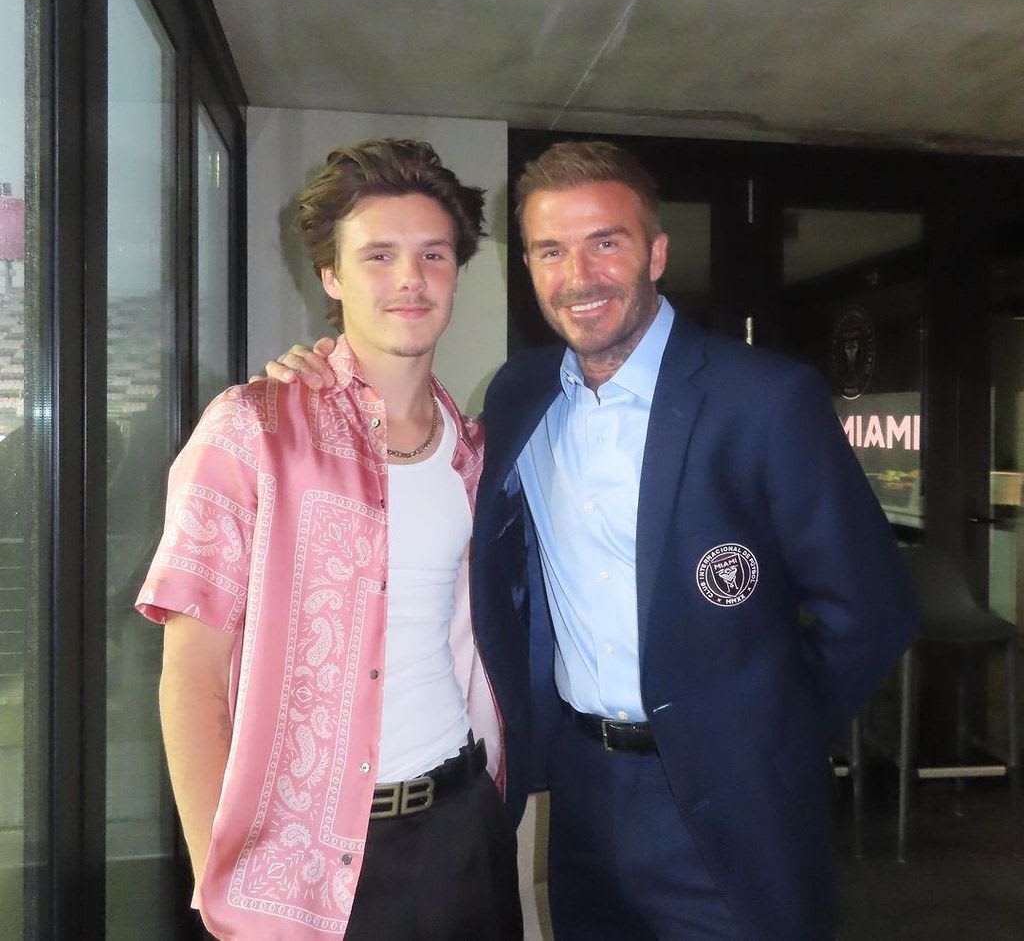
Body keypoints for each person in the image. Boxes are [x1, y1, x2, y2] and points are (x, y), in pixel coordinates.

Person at [267, 140, 919, 940]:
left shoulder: (764, 400)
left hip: (730, 805)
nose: (579, 274)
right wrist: (321, 368)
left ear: (656, 253)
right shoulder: (520, 396)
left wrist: (765, 734)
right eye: (551, 250)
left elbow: (873, 608)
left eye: (605, 241)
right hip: (582, 794)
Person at [137, 139, 521, 940]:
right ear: (332, 278)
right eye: (378, 255)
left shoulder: (475, 449)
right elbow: (191, 677)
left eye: (433, 254)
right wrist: (223, 886)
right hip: (307, 861)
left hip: (461, 827)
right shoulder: (254, 429)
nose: (409, 278)